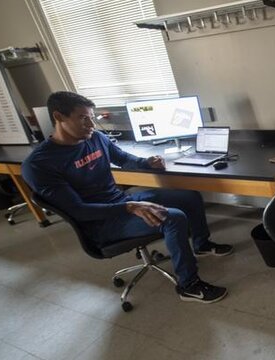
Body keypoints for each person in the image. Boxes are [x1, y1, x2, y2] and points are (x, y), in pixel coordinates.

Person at [22, 91, 232, 303]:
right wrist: (131, 207)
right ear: (59, 117)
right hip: (99, 224)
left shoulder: (96, 138)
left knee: (189, 197)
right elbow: (79, 210)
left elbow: (123, 158)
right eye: (83, 118)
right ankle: (189, 286)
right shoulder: (40, 164)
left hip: (121, 202)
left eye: (92, 118)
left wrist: (146, 162)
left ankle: (201, 244)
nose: (90, 124)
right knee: (173, 218)